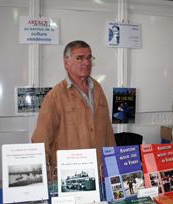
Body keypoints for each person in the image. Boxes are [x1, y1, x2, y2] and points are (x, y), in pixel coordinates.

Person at [31, 40, 116, 181]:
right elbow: (41, 140)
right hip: (69, 178)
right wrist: (41, 181)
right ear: (66, 63)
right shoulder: (55, 97)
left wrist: (113, 169)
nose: (87, 62)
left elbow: (108, 132)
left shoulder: (98, 89)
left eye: (89, 58)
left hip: (99, 175)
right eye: (80, 58)